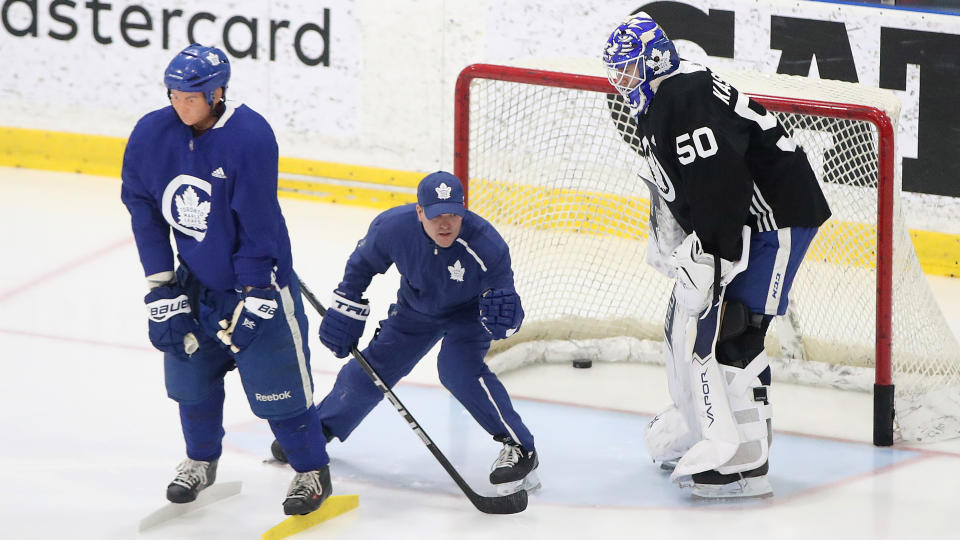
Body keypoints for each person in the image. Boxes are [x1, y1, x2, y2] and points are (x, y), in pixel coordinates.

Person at [601, 13, 831, 498]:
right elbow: (686, 184)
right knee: (724, 330)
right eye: (614, 72)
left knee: (740, 331)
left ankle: (746, 461)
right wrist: (692, 248)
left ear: (652, 60)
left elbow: (721, 180)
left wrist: (716, 251)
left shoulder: (682, 97)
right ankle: (714, 433)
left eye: (625, 70)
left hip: (776, 220)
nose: (619, 82)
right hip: (751, 223)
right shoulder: (666, 97)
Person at [120, 44, 331, 515]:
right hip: (196, 284)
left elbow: (258, 221)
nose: (180, 104)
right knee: (189, 377)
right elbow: (142, 207)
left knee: (279, 390)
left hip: (258, 282)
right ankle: (200, 461)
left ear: (217, 92)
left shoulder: (250, 136)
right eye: (173, 93)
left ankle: (311, 470)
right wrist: (162, 288)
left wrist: (258, 293)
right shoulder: (152, 134)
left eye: (190, 95)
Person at [272, 171, 540, 496]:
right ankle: (321, 428)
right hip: (415, 310)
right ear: (419, 212)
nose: (445, 224)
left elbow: (503, 299)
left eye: (453, 214)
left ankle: (519, 447)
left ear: (464, 210)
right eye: (436, 215)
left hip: (467, 316)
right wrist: (347, 306)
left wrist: (506, 319)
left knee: (458, 372)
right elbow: (361, 266)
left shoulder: (486, 245)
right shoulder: (393, 228)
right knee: (367, 373)